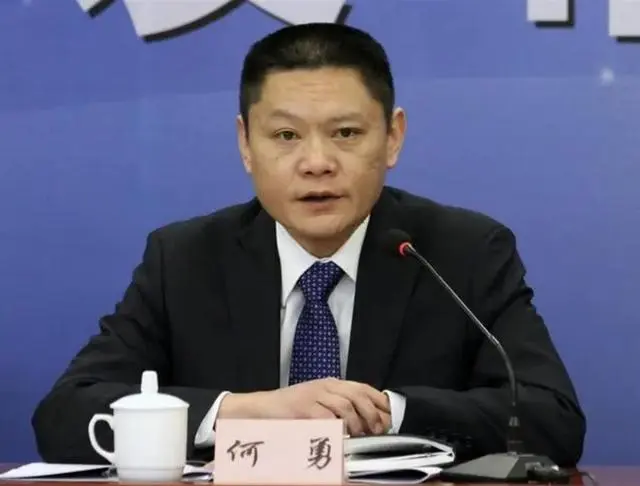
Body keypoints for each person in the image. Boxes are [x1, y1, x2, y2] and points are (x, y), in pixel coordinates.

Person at [32, 22, 585, 466]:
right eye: (286, 135)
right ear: (245, 144)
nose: (317, 162)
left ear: (393, 137)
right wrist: (244, 412)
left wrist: (387, 412)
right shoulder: (184, 259)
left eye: (346, 133)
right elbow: (65, 415)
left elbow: (551, 421)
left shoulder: (463, 252)